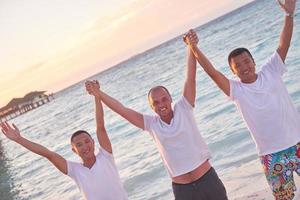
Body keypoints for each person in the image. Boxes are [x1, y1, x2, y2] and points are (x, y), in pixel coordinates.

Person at [85, 33, 228, 200]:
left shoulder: (184, 108)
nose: (161, 104)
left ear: (170, 99)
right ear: (151, 107)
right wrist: (98, 93)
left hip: (207, 181)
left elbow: (191, 78)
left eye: (164, 99)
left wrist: (191, 47)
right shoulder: (151, 124)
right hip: (183, 191)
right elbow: (121, 109)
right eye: (156, 102)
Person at [185, 0, 299, 199]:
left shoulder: (271, 70)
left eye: (246, 61)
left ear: (254, 61)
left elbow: (284, 43)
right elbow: (212, 73)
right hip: (271, 155)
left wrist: (289, 16)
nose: (244, 66)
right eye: (238, 65)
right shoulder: (236, 90)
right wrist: (194, 48)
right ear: (233, 71)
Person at [0, 84, 128, 200]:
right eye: (79, 145)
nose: (85, 146)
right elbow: (48, 154)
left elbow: (100, 126)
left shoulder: (106, 156)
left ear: (93, 143)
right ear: (74, 150)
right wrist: (19, 139)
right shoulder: (74, 170)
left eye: (87, 141)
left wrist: (97, 96)